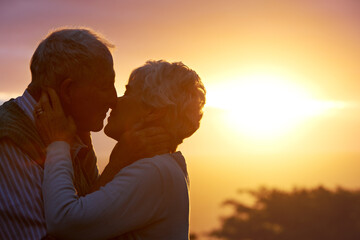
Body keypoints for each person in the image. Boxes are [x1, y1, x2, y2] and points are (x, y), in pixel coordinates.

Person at [0, 28, 168, 239]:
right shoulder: (10, 140)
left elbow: (87, 217)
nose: (113, 99)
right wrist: (118, 164)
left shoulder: (73, 134)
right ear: (68, 90)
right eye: (106, 85)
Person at [35, 60, 206, 240]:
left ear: (153, 112)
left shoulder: (155, 172)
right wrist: (117, 164)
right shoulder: (165, 168)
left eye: (128, 92)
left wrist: (58, 143)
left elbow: (65, 222)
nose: (114, 101)